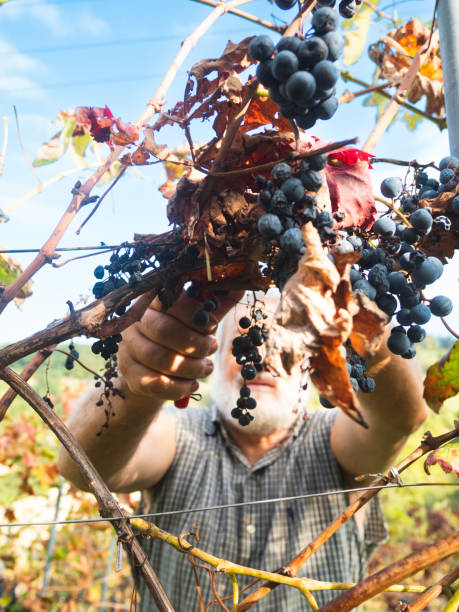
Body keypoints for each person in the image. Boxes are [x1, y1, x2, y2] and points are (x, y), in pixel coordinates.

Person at [58, 288, 428, 610]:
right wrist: (142, 376)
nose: (262, 357)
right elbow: (85, 468)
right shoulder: (179, 433)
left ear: (308, 364)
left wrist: (356, 318)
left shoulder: (331, 441)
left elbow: (400, 419)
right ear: (211, 358)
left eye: (283, 343)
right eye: (245, 339)